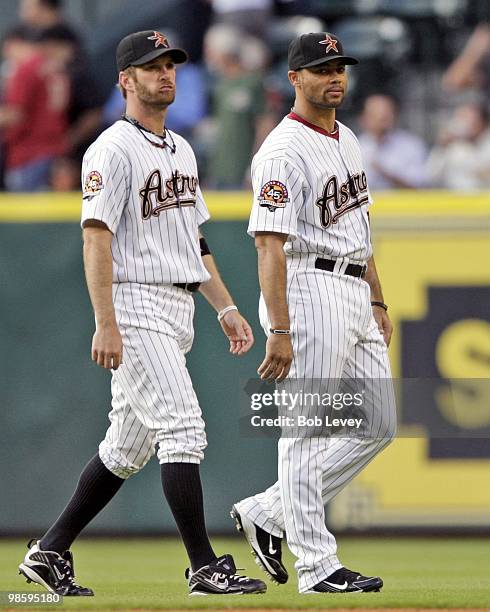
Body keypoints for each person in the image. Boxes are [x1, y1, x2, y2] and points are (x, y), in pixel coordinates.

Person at [18, 30, 266, 597]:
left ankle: (50, 551)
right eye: (152, 67)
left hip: (178, 303)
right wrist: (105, 320)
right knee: (183, 429)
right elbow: (96, 240)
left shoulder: (179, 149)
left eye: (171, 65)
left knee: (127, 448)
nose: (166, 75)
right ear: (125, 80)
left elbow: (193, 240)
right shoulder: (110, 149)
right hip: (133, 302)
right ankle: (204, 565)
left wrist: (225, 306)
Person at [230, 32, 397, 594]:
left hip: (352, 286)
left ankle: (269, 512)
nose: (335, 77)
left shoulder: (346, 136)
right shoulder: (280, 150)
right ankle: (317, 566)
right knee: (305, 430)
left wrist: (376, 295)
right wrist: (278, 327)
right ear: (294, 78)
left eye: (340, 67)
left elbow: (359, 224)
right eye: (323, 69)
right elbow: (269, 245)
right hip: (307, 287)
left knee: (379, 423)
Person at [0, 25, 73, 191]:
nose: (7, 56)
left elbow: (15, 114)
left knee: (25, 215)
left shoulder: (26, 68)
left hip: (29, 154)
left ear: (18, 44)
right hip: (55, 152)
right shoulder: (56, 68)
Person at [358, 94, 429, 190]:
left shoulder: (412, 146)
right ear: (364, 118)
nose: (381, 119)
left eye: (386, 115)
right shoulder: (353, 146)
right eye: (375, 115)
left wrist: (384, 173)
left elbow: (418, 186)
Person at [428, 102, 490, 190]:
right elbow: (431, 176)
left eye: (468, 118)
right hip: (456, 200)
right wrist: (442, 147)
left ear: (482, 122)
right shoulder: (452, 146)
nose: (463, 123)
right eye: (460, 118)